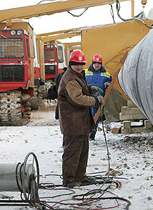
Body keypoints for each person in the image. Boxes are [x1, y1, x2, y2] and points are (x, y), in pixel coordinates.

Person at [57, 50, 103, 188]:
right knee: (72, 151)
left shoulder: (76, 75)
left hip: (80, 122)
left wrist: (89, 88)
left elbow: (80, 90)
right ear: (71, 63)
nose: (80, 67)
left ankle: (79, 177)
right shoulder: (70, 78)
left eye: (82, 64)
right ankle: (70, 179)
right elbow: (77, 99)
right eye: (76, 64)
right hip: (72, 122)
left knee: (82, 150)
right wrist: (95, 100)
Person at [85, 54, 112, 140]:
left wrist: (108, 84)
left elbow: (110, 81)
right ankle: (85, 134)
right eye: (95, 63)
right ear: (92, 63)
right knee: (85, 117)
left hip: (98, 99)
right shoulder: (85, 72)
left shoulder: (106, 74)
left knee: (95, 117)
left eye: (99, 63)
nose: (97, 65)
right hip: (87, 99)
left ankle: (91, 135)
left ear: (101, 64)